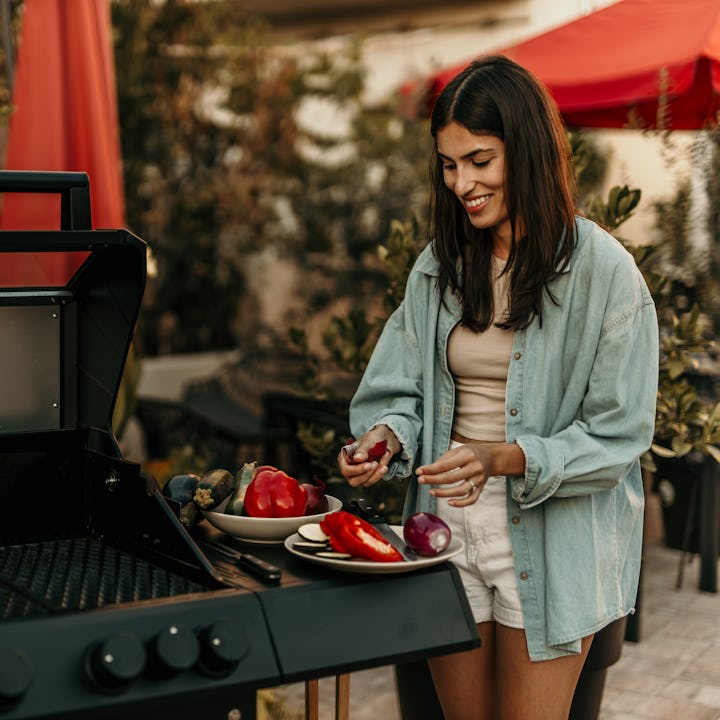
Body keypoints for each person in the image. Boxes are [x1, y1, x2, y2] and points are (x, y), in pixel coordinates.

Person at [337, 55, 659, 720]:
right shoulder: (441, 266)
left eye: (479, 160)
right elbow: (398, 388)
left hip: (553, 539)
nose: (462, 183)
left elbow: (619, 434)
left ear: (528, 149)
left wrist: (505, 459)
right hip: (445, 528)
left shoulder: (606, 275)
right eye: (449, 165)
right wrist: (385, 434)